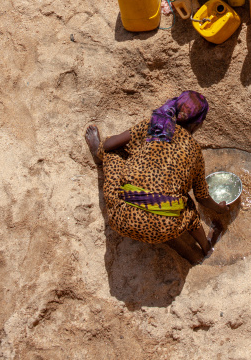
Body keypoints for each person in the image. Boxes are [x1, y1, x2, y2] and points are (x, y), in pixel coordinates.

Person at [85, 91, 228, 264]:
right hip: (165, 228)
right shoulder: (195, 152)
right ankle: (206, 247)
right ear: (199, 124)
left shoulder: (154, 126)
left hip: (122, 218)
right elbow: (202, 197)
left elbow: (109, 145)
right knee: (187, 206)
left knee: (114, 152)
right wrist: (219, 209)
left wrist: (103, 146)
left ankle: (97, 153)